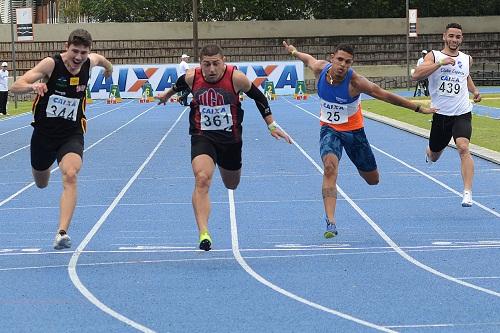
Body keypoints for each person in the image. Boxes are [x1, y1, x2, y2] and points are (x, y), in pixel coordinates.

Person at [283, 41, 436, 238]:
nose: (342, 65)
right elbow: (307, 58)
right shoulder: (320, 69)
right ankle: (330, 221)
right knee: (329, 168)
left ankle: (360, 169)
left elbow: (385, 95)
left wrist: (417, 108)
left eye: (348, 62)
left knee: (373, 180)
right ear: (332, 58)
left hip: (354, 133)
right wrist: (294, 51)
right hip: (329, 129)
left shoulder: (356, 82)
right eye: (339, 60)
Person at [157, 44, 291, 251]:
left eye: (216, 64)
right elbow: (179, 84)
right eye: (206, 64)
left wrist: (271, 125)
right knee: (202, 178)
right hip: (202, 136)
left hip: (230, 140)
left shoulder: (236, 78)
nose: (211, 69)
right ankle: (204, 232)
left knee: (231, 184)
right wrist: (166, 95)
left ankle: (222, 165)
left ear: (224, 61)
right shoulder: (192, 77)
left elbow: (260, 97)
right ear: (200, 64)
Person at [10, 29, 113, 249]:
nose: (78, 57)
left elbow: (104, 61)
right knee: (41, 182)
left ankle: (62, 232)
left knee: (71, 174)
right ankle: (43, 168)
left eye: (83, 53)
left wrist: (109, 70)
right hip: (44, 135)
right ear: (67, 47)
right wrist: (32, 86)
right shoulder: (50, 64)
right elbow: (15, 86)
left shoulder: (90, 62)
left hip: (71, 133)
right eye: (75, 51)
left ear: (89, 51)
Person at [412, 22, 481, 207]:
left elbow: (464, 76)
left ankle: (467, 192)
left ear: (461, 39)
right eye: (451, 36)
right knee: (434, 155)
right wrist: (440, 63)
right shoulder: (434, 55)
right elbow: (416, 75)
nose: (454, 40)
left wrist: (474, 91)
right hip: (441, 115)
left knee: (463, 147)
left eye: (458, 37)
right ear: (444, 36)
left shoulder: (467, 59)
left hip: (462, 112)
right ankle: (430, 152)